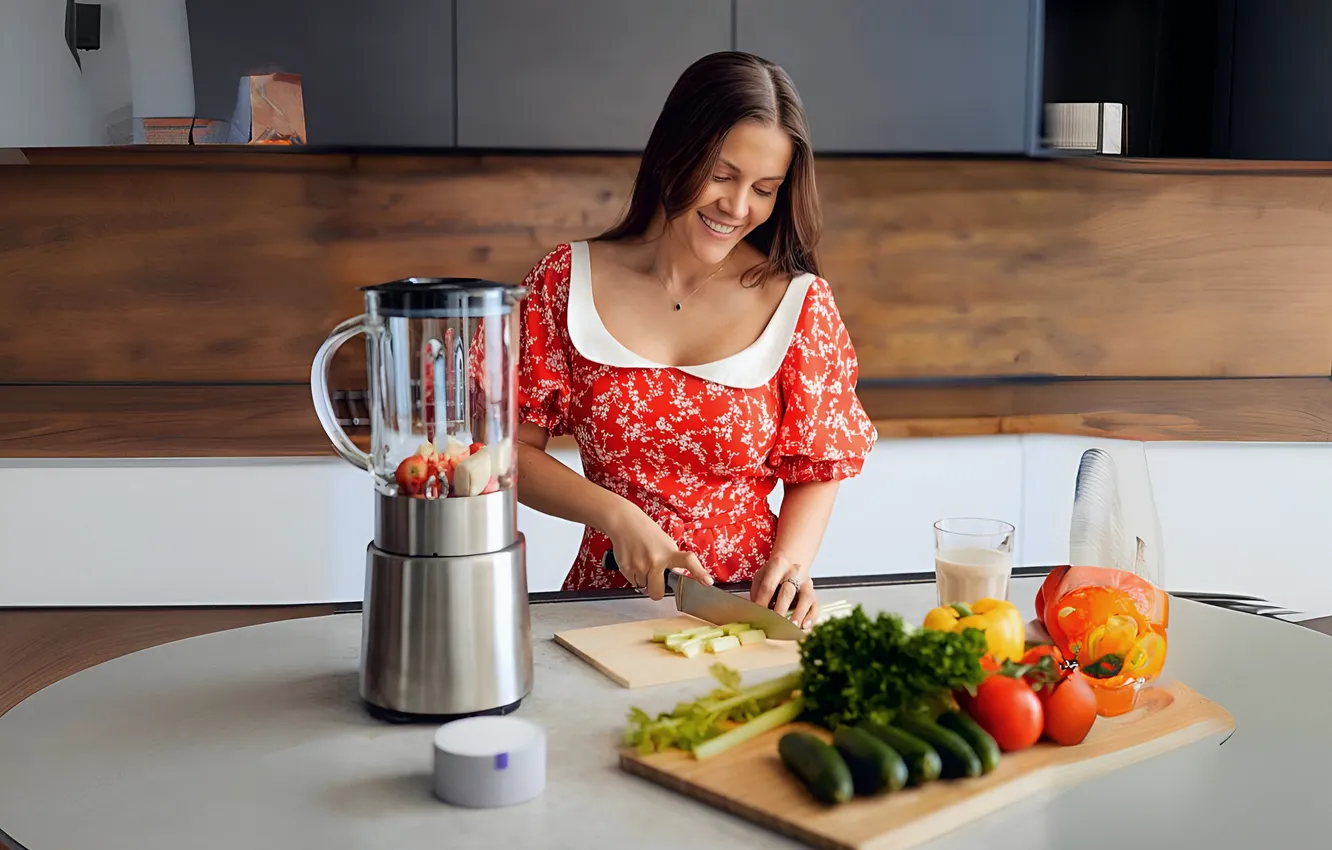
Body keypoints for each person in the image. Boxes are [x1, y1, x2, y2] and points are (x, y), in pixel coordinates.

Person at [512, 51, 876, 630]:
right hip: (604, 607)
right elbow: (508, 454)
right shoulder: (564, 281)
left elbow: (818, 465)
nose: (737, 207)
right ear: (672, 155)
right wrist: (618, 517)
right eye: (722, 175)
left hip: (745, 611)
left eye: (764, 188)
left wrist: (791, 561)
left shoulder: (801, 303)